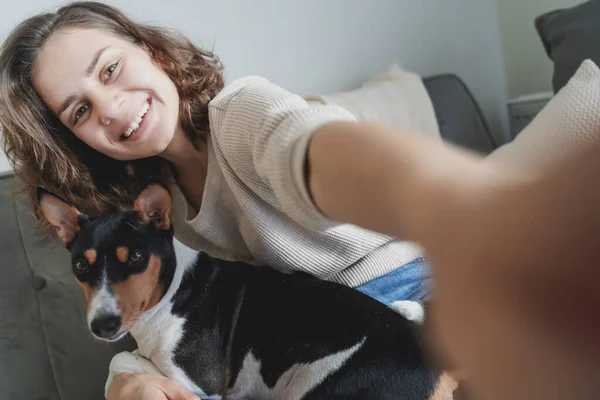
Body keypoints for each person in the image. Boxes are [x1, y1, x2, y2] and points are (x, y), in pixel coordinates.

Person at [1, 2, 599, 400]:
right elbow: (188, 340)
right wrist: (122, 377)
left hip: (416, 298)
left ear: (151, 52)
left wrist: (450, 202)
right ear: (71, 139)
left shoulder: (243, 113)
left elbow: (316, 152)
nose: (108, 107)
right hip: (322, 339)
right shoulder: (153, 221)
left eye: (109, 70)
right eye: (78, 110)